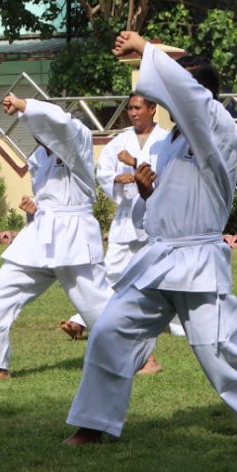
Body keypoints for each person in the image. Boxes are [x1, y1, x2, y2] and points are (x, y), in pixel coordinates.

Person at [65, 33, 237, 443]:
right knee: (109, 331)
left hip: (199, 260)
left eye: (180, 82)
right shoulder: (170, 144)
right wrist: (145, 194)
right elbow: (164, 208)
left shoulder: (220, 129)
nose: (169, 90)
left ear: (201, 93)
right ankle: (92, 426)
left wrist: (145, 48)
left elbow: (190, 95)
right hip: (160, 259)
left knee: (218, 351)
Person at [0, 95, 115, 381]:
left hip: (74, 231)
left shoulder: (78, 139)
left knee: (95, 304)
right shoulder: (38, 157)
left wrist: (25, 105)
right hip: (41, 233)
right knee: (0, 293)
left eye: (40, 125)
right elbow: (47, 199)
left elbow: (61, 123)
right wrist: (33, 210)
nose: (37, 133)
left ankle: (141, 356)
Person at [75, 93, 171, 347]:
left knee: (160, 272)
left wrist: (135, 162)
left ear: (153, 109)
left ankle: (170, 320)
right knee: (112, 270)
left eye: (138, 108)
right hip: (127, 215)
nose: (133, 113)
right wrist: (118, 178)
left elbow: (168, 174)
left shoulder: (166, 140)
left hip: (156, 215)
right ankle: (84, 319)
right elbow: (103, 170)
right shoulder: (120, 140)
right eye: (130, 108)